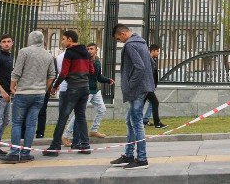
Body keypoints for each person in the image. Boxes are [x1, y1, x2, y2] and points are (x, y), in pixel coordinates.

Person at [0, 31, 56, 163]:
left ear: (30, 39)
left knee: (17, 123)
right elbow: (52, 75)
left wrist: (12, 86)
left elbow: (17, 71)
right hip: (39, 94)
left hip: (23, 93)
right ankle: (26, 153)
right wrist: (44, 89)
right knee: (31, 125)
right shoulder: (48, 55)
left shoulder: (24, 52)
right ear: (42, 40)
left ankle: (14, 153)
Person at [110, 24, 155, 170]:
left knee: (136, 123)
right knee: (130, 122)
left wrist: (130, 84)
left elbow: (140, 67)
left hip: (137, 90)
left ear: (123, 33)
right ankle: (128, 155)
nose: (120, 41)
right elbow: (152, 64)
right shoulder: (141, 43)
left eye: (119, 38)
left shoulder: (130, 46)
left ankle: (142, 159)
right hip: (143, 88)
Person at [43, 30, 94, 156]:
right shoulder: (86, 52)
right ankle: (85, 145)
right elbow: (91, 70)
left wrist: (55, 86)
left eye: (64, 39)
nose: (62, 41)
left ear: (70, 40)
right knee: (81, 116)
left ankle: (54, 147)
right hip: (85, 88)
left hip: (73, 88)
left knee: (63, 117)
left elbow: (64, 72)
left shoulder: (69, 53)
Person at [63, 42, 114, 146]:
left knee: (102, 109)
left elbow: (98, 77)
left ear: (96, 50)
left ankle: (93, 130)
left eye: (91, 49)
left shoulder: (98, 61)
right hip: (86, 91)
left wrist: (108, 80)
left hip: (95, 91)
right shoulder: (84, 61)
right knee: (78, 114)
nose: (89, 50)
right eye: (88, 49)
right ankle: (65, 136)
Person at [143, 44, 167, 128]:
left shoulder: (152, 60)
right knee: (155, 102)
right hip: (147, 86)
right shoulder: (148, 60)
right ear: (152, 51)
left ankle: (144, 121)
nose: (158, 53)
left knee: (146, 104)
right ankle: (157, 123)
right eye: (157, 51)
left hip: (150, 86)